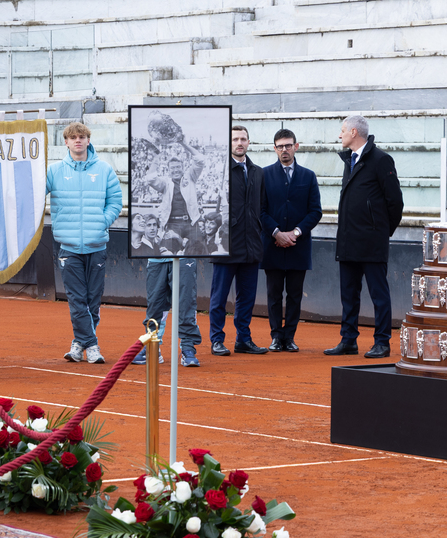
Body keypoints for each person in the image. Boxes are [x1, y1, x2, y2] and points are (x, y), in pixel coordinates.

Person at [326, 115, 404, 358]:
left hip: (371, 242)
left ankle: (382, 342)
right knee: (348, 295)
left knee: (379, 295)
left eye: (342, 131)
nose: (340, 136)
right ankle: (348, 340)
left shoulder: (381, 160)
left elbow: (395, 202)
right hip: (348, 240)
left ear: (353, 132)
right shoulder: (349, 160)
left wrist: (380, 232)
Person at [46, 121, 122, 364]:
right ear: (66, 142)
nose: (77, 140)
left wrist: (103, 221)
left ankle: (79, 343)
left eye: (82, 136)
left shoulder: (104, 170)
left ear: (88, 140)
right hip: (68, 247)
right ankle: (92, 346)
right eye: (73, 137)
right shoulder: (54, 170)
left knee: (92, 300)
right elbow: (36, 193)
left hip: (96, 244)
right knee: (77, 299)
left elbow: (115, 202)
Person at [260, 129, 322, 352]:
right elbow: (260, 210)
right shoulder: (264, 175)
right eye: (280, 146)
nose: (284, 149)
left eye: (288, 145)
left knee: (295, 295)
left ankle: (290, 337)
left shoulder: (308, 176)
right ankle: (276, 336)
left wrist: (294, 234)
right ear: (274, 148)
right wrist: (276, 233)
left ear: (296, 146)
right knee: (274, 294)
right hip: (272, 245)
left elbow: (315, 212)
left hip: (299, 246)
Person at [209, 125, 267, 357]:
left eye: (243, 139)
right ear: (229, 143)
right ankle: (216, 340)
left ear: (249, 142)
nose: (239, 143)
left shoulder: (257, 172)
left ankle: (243, 339)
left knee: (247, 298)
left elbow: (261, 207)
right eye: (235, 139)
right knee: (219, 298)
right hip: (225, 245)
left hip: (251, 245)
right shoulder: (218, 171)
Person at [133, 258, 202, 367]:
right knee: (155, 305)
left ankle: (188, 347)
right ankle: (153, 346)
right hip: (156, 259)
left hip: (184, 257)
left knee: (186, 303)